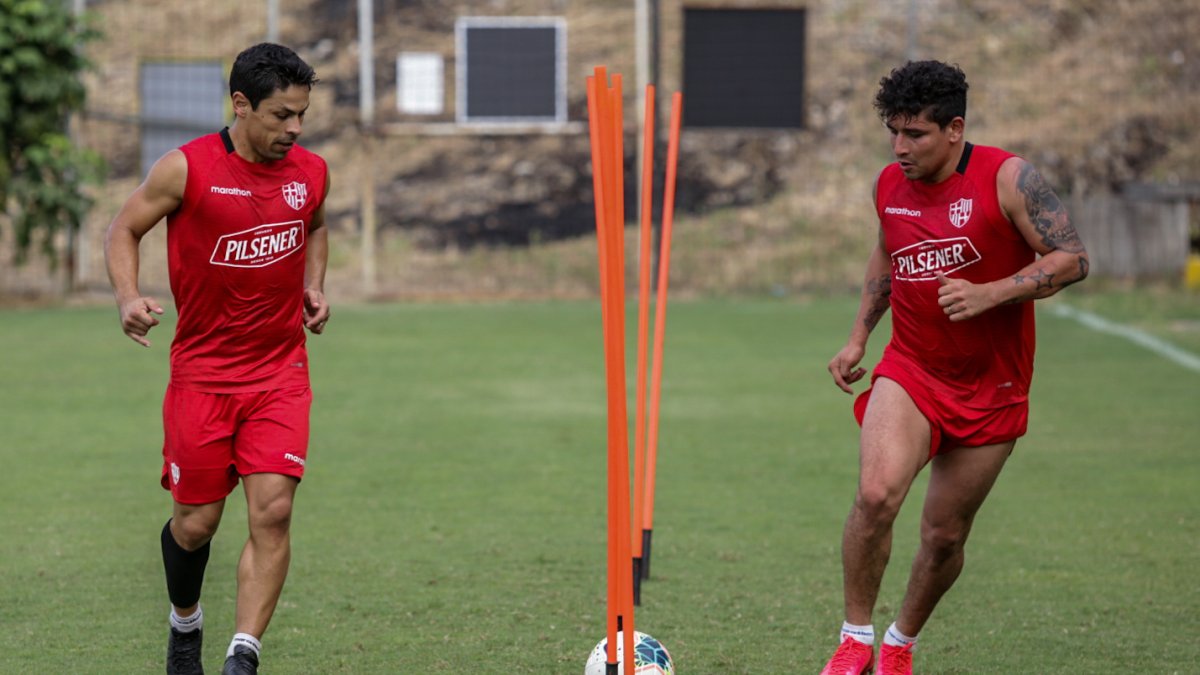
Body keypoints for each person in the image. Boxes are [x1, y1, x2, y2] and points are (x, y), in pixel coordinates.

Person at [821, 60, 1089, 674]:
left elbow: (1072, 258)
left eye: (914, 134)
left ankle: (899, 644)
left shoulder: (1009, 178)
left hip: (994, 385)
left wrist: (992, 292)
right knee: (875, 495)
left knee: (944, 536)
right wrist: (859, 337)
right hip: (912, 369)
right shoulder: (889, 185)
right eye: (893, 132)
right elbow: (886, 254)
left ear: (955, 129)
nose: (899, 148)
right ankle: (854, 639)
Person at [104, 43, 330, 675]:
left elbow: (314, 224)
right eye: (282, 114)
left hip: (280, 372)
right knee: (195, 524)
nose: (295, 128)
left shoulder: (311, 172)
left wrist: (314, 286)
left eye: (302, 114)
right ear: (241, 104)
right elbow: (123, 228)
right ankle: (185, 622)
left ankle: (242, 656)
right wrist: (127, 297)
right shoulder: (186, 168)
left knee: (274, 511)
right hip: (202, 377)